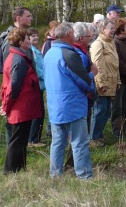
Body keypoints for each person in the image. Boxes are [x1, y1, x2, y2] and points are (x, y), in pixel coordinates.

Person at [44, 22, 96, 179]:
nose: (74, 36)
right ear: (68, 34)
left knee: (58, 143)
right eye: (73, 33)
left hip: (55, 105)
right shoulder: (69, 54)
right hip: (72, 105)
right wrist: (93, 74)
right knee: (79, 143)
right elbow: (84, 81)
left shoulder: (49, 53)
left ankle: (55, 175)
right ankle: (85, 176)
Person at [1, 27, 42, 173]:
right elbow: (14, 86)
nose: (29, 41)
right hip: (19, 107)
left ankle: (19, 168)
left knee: (21, 139)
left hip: (23, 106)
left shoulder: (20, 57)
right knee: (17, 139)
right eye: (26, 39)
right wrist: (6, 106)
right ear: (20, 42)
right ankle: (10, 170)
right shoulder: (18, 60)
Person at [90, 18, 120, 146]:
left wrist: (118, 80)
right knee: (99, 110)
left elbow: (115, 64)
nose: (113, 31)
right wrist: (101, 83)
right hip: (102, 83)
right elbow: (97, 66)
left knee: (107, 111)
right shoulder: (98, 44)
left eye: (114, 28)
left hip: (111, 81)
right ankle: (93, 138)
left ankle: (99, 135)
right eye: (111, 28)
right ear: (102, 29)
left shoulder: (111, 43)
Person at [26, 27, 46, 147]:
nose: (36, 37)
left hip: (40, 85)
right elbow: (37, 69)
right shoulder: (31, 51)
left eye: (37, 35)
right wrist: (46, 76)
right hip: (36, 85)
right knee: (37, 112)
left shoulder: (36, 50)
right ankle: (32, 139)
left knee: (40, 112)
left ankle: (35, 138)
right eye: (33, 36)